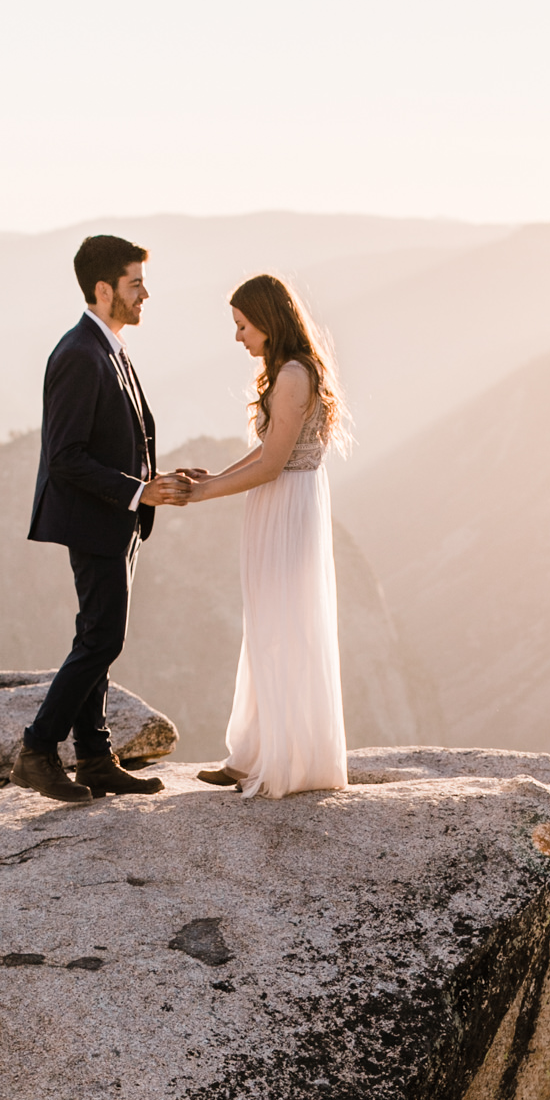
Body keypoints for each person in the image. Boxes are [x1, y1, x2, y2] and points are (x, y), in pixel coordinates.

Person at [13, 235, 188, 805]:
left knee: (96, 635)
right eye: (136, 284)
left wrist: (151, 487)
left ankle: (93, 756)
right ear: (103, 289)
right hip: (96, 520)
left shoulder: (106, 344)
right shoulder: (79, 353)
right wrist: (139, 492)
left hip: (118, 520)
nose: (146, 295)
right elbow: (65, 457)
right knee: (103, 639)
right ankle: (38, 749)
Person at [174, 275, 349, 800]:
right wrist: (213, 478)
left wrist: (204, 495)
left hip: (287, 507)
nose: (238, 338)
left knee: (283, 627)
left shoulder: (294, 375)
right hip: (282, 505)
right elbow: (267, 449)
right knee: (266, 626)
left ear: (268, 323)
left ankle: (285, 760)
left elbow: (273, 465)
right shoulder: (288, 372)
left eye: (243, 326)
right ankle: (252, 753)